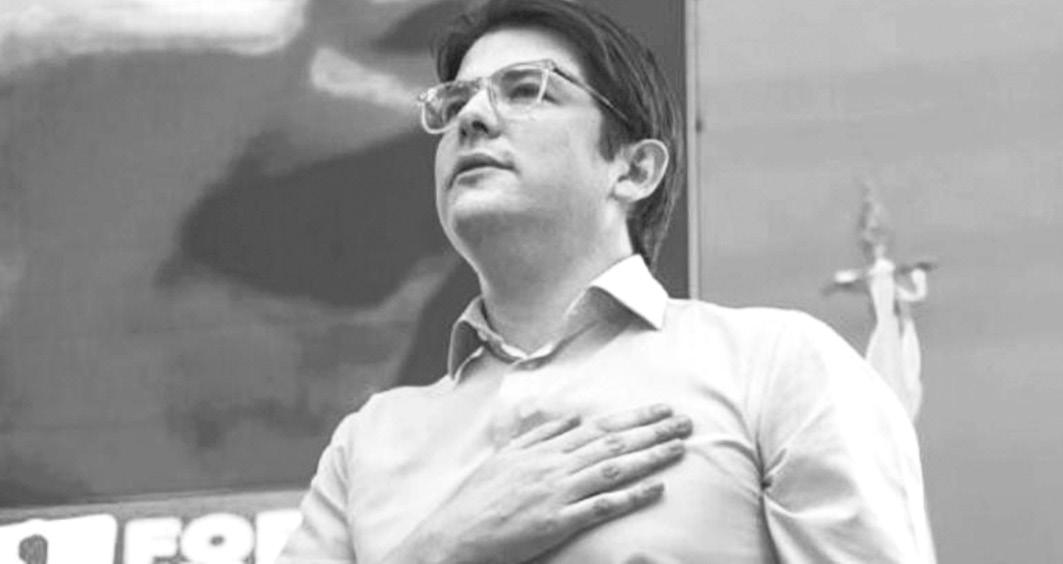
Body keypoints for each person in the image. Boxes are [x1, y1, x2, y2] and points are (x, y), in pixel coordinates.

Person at [279, 0, 936, 562]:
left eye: (526, 90)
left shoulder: (777, 368)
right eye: (453, 102)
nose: (471, 117)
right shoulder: (367, 445)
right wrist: (445, 546)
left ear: (634, 170)